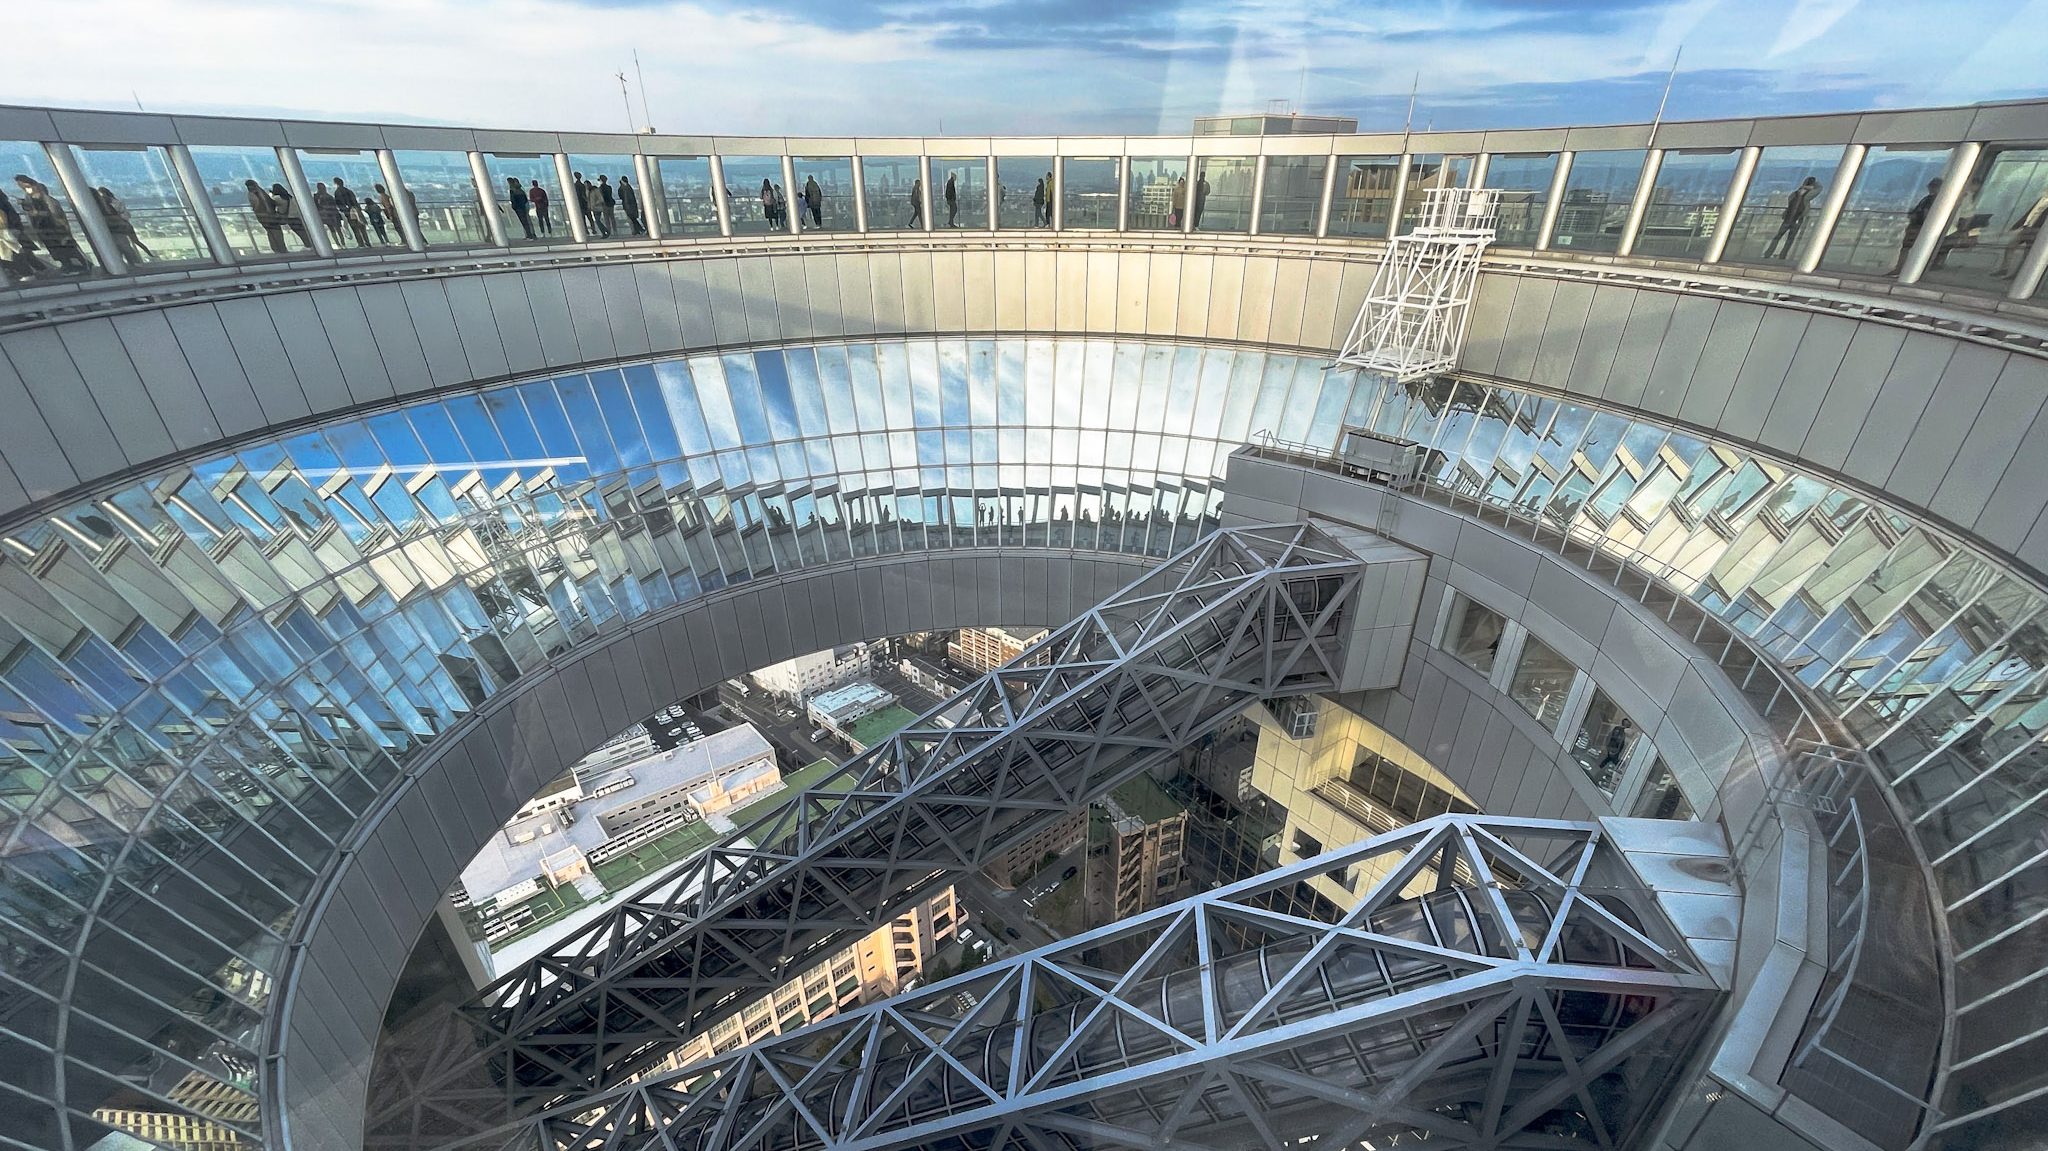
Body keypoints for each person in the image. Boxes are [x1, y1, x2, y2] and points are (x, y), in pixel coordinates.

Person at [15, 177, 91, 271]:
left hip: (53, 227)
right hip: (43, 228)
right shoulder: (30, 199)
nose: (25, 188)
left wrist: (37, 213)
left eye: (26, 186)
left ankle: (81, 264)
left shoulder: (47, 200)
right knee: (55, 249)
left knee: (66, 247)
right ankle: (68, 264)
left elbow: (54, 214)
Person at [1891, 178, 1942, 275]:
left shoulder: (1930, 200)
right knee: (1910, 248)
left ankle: (1901, 269)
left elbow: (1923, 214)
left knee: (1908, 248)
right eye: (1931, 186)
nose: (1931, 189)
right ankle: (1904, 269)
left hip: (1920, 228)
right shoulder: (1929, 199)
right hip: (1919, 227)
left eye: (1934, 187)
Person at [0, 189, 53, 281]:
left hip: (7, 233)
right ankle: (41, 269)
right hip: (14, 230)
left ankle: (27, 274)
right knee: (24, 252)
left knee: (14, 254)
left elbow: (3, 221)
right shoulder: (5, 203)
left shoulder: (2, 206)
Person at [1762, 176, 1819, 259]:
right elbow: (1819, 188)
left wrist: (1804, 186)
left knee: (1780, 237)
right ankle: (1780, 255)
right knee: (1788, 239)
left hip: (1790, 218)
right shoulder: (1806, 195)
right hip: (1793, 219)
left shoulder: (1796, 193)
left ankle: (1771, 253)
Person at [92, 187, 153, 263]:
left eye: (103, 195)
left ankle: (137, 260)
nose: (102, 197)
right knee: (128, 244)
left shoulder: (111, 204)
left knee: (127, 244)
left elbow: (122, 215)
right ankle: (137, 260)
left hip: (120, 227)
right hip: (121, 226)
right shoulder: (110, 204)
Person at [1996, 189, 2048, 277]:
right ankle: (2004, 269)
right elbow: (2029, 214)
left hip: (2036, 230)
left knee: (2027, 253)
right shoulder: (2041, 200)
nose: (2045, 190)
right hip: (2027, 227)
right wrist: (2017, 225)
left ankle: (2018, 275)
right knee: (2010, 246)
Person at [244, 179, 286, 253]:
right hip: (267, 216)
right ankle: (280, 248)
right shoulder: (258, 193)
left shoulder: (254, 194)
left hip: (264, 216)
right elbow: (266, 202)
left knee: (272, 232)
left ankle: (277, 249)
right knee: (276, 232)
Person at [271, 182, 313, 248]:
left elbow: (271, 202)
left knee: (300, 233)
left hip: (290, 218)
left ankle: (308, 245)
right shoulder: (290, 197)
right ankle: (310, 245)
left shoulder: (277, 198)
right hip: (297, 217)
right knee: (303, 233)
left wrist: (271, 194)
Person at [332, 178, 368, 246]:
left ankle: (360, 243)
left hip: (349, 212)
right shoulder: (349, 191)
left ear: (336, 183)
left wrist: (345, 210)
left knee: (355, 228)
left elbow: (339, 203)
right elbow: (355, 201)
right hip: (356, 210)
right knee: (362, 227)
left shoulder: (337, 192)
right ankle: (367, 241)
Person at [311, 181, 345, 247]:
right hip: (332, 214)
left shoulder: (316, 197)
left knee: (332, 229)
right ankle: (342, 243)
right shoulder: (328, 196)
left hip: (325, 215)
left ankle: (339, 244)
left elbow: (316, 206)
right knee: (337, 229)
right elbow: (334, 205)